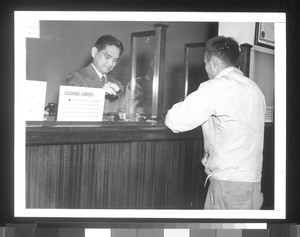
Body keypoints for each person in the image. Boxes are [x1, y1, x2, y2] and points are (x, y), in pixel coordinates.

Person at [164, 36, 266, 210]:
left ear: (214, 62)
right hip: (253, 182)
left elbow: (174, 121)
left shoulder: (216, 87)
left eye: (205, 63)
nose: (206, 69)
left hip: (227, 185)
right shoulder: (255, 89)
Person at [65, 34, 125, 113]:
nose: (111, 63)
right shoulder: (76, 77)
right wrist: (100, 92)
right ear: (94, 52)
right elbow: (70, 106)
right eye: (107, 56)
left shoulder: (117, 84)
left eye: (115, 60)